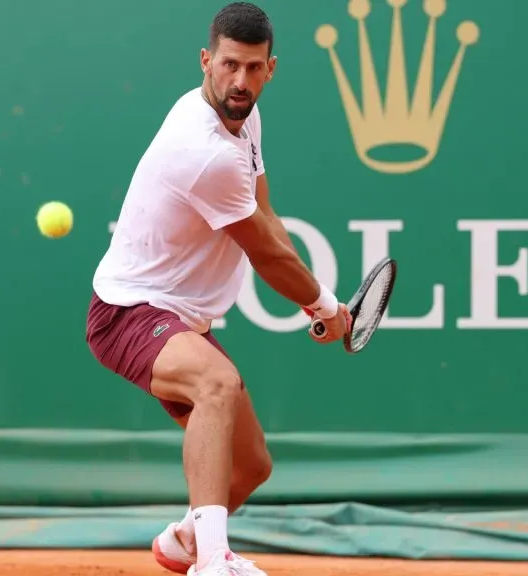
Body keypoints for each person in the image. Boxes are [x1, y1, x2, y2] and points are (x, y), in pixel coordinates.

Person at [85, 2, 352, 575]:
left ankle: (184, 541)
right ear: (206, 60)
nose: (241, 81)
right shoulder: (203, 149)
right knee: (216, 383)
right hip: (128, 311)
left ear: (271, 69)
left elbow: (266, 217)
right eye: (229, 64)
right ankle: (213, 561)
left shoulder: (245, 118)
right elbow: (264, 253)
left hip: (182, 317)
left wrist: (316, 300)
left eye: (254, 68)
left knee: (251, 467)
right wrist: (323, 304)